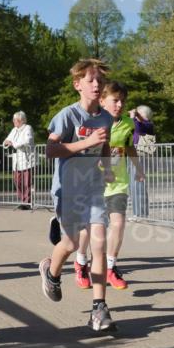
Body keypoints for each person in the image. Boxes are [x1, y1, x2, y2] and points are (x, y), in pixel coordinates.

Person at [38, 58, 117, 333]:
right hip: (68, 189)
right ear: (77, 85)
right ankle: (51, 272)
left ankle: (99, 308)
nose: (96, 85)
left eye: (100, 81)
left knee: (99, 243)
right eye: (90, 80)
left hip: (93, 187)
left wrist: (107, 168)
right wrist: (86, 142)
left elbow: (104, 144)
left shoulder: (106, 117)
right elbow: (50, 150)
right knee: (71, 243)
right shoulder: (67, 116)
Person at [72, 82, 144, 290]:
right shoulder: (91, 122)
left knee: (118, 224)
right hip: (93, 183)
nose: (120, 105)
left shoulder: (128, 124)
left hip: (118, 183)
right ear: (102, 101)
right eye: (115, 100)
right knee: (89, 228)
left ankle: (110, 267)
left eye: (123, 101)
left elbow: (130, 147)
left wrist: (138, 169)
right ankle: (81, 262)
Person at [3, 111, 35, 209]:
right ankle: (22, 200)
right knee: (17, 182)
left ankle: (27, 203)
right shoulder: (14, 130)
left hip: (26, 159)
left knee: (27, 183)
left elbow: (27, 141)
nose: (13, 121)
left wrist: (13, 143)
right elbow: (6, 141)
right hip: (17, 160)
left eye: (15, 120)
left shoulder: (28, 128)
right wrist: (7, 143)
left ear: (21, 120)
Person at [128, 105, 155, 217]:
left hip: (140, 156)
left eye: (139, 113)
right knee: (132, 185)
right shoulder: (139, 122)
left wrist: (134, 116)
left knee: (138, 184)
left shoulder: (148, 124)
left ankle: (141, 214)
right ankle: (138, 213)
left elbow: (138, 128)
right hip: (133, 155)